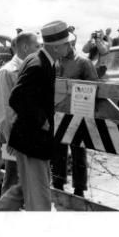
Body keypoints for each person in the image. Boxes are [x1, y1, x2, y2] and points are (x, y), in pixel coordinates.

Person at [0, 20, 74, 211]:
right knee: (40, 200)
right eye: (66, 43)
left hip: (34, 141)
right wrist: (42, 120)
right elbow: (17, 99)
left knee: (23, 189)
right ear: (54, 47)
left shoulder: (42, 60)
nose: (70, 46)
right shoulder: (38, 64)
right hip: (32, 142)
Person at [51, 33, 99, 197]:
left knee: (78, 151)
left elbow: (94, 86)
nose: (59, 48)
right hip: (58, 113)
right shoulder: (56, 62)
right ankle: (58, 183)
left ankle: (79, 189)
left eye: (62, 45)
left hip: (77, 114)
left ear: (71, 44)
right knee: (58, 150)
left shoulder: (84, 62)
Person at [0, 33, 41, 200]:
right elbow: (4, 111)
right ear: (25, 48)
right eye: (37, 47)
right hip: (16, 136)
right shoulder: (7, 72)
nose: (40, 50)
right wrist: (12, 139)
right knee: (12, 179)